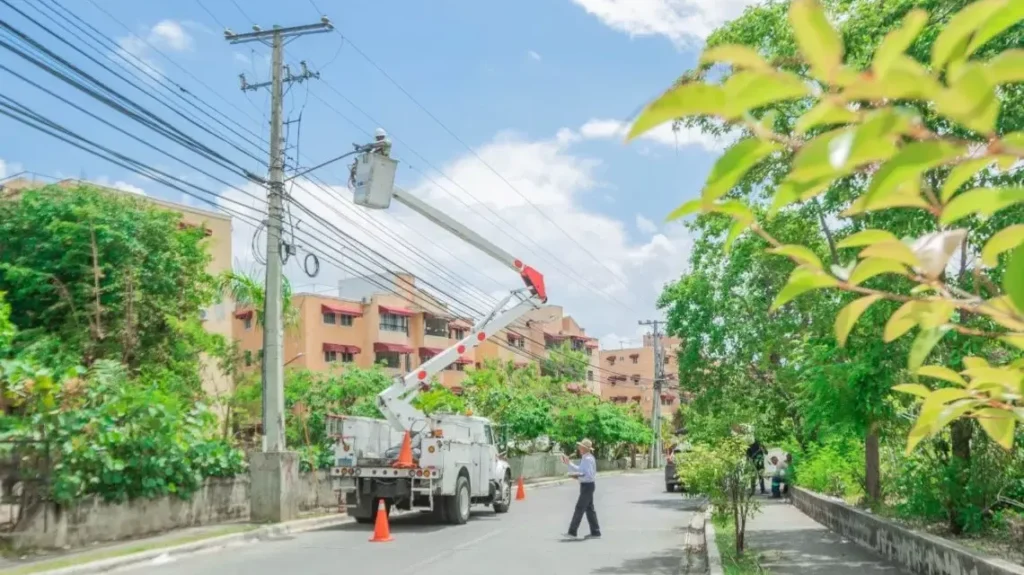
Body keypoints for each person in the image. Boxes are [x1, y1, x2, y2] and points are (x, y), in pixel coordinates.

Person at [561, 438, 601, 540]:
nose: (579, 448)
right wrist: (569, 463)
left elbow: (588, 475)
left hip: (587, 485)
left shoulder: (588, 459)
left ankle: (572, 532)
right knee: (589, 509)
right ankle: (595, 531)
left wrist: (577, 476)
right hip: (587, 485)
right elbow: (580, 470)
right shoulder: (586, 458)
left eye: (580, 446)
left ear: (585, 448)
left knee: (580, 508)